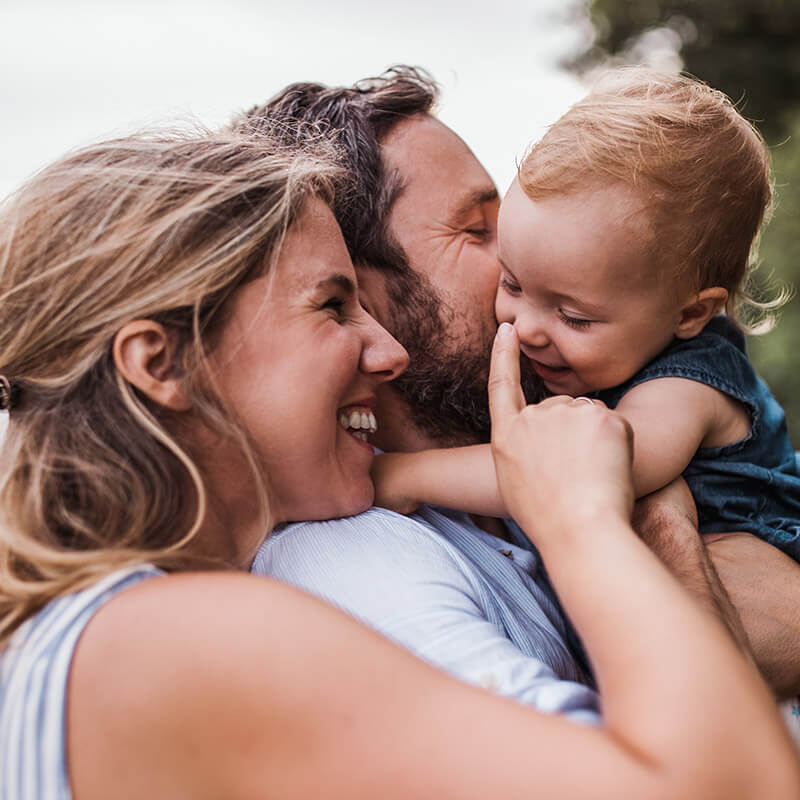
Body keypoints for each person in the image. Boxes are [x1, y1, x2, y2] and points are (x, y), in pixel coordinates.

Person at [2, 125, 796, 800]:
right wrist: (582, 515)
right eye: (331, 305)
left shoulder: (118, 631)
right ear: (161, 362)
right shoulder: (177, 639)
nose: (387, 349)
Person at [243, 66, 800, 702]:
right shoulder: (359, 560)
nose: (525, 302)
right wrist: (669, 534)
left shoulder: (679, 379)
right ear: (357, 287)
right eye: (484, 238)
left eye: (575, 313)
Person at [373, 69, 800, 562]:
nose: (525, 328)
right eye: (511, 283)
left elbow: (569, 471)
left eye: (574, 317)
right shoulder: (608, 355)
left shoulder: (687, 389)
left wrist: (406, 475)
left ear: (691, 313)